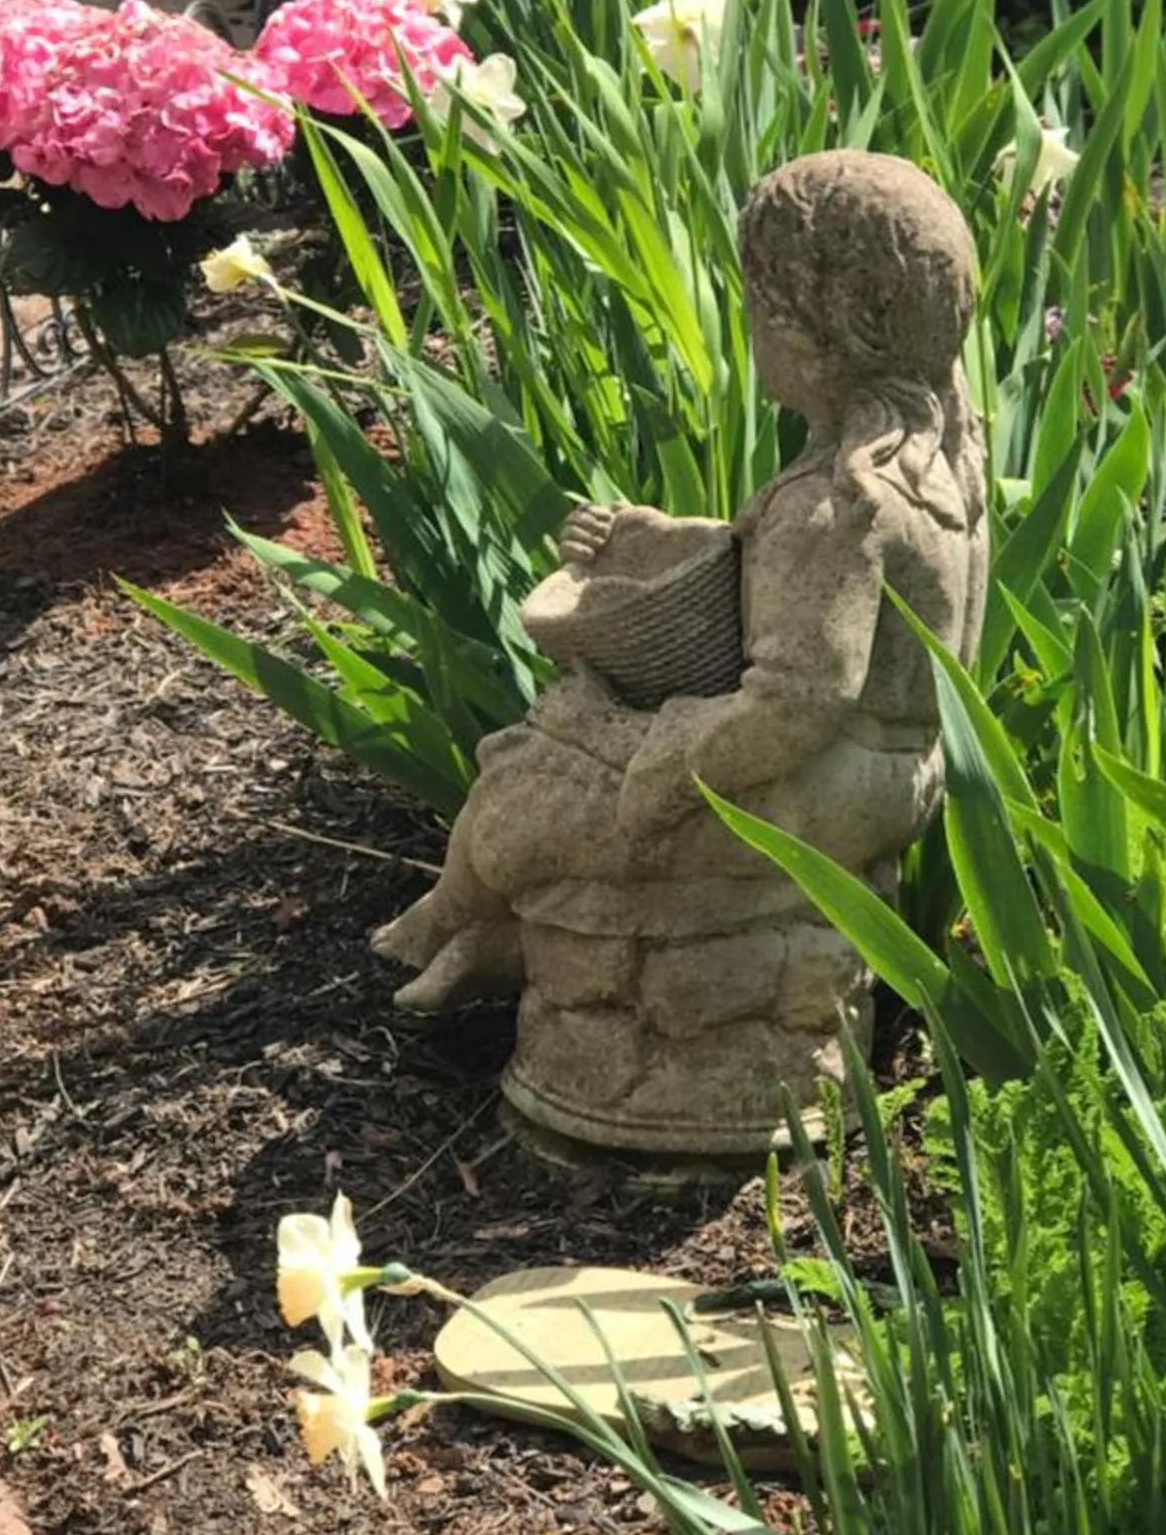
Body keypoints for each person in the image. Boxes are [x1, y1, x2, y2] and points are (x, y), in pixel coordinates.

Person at [374, 153, 988, 1091]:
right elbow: (784, 586)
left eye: (758, 310)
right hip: (894, 771)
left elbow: (796, 701)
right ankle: (483, 931)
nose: (749, 330)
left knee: (532, 775)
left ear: (816, 331)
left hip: (820, 786)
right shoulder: (924, 468)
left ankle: (472, 921)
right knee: (547, 745)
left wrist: (656, 763)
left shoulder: (841, 507)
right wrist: (657, 539)